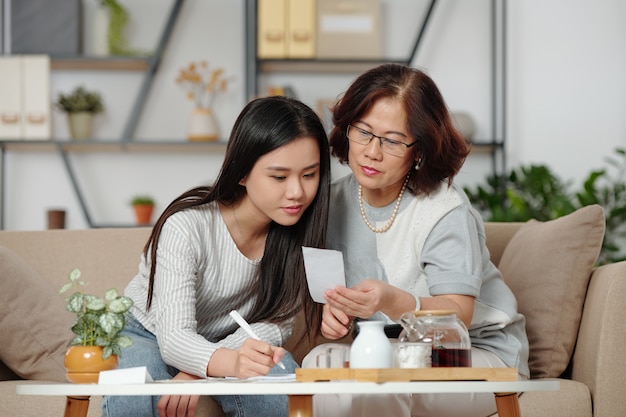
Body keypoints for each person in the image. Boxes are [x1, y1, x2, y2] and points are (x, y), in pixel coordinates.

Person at [303, 63, 529, 417]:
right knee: (319, 363)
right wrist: (328, 314)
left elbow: (458, 315)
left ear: (419, 149)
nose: (371, 152)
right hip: (387, 351)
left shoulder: (443, 210)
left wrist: (393, 300)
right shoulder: (329, 203)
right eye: (363, 131)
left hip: (476, 355)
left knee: (386, 379)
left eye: (392, 141)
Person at [102, 95, 330, 417]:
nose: (297, 192)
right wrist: (220, 362)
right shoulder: (186, 227)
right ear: (241, 172)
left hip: (231, 339)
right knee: (136, 392)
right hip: (149, 332)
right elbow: (174, 338)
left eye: (309, 174)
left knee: (278, 386)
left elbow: (277, 323)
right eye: (279, 177)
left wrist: (203, 366)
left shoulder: (302, 231)